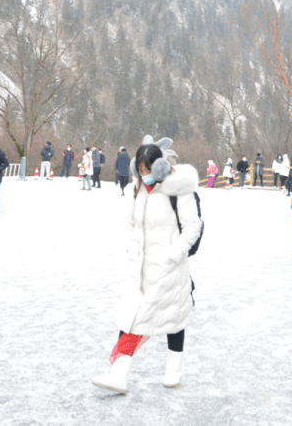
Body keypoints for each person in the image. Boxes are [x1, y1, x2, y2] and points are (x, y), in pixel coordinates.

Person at [92, 137, 200, 394]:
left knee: (167, 317)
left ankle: (169, 370)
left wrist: (174, 253)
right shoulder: (135, 189)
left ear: (160, 167)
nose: (144, 175)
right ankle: (119, 375)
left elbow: (192, 227)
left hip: (168, 267)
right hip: (140, 266)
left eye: (147, 170)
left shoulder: (178, 190)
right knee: (138, 316)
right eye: (139, 170)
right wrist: (130, 246)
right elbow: (127, 221)